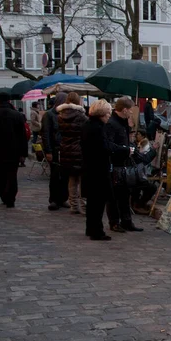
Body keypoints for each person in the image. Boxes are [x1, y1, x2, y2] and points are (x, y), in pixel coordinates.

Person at [105, 97, 144, 233]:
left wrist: (131, 148)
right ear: (125, 110)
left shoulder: (123, 123)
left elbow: (125, 141)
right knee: (115, 195)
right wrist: (125, 149)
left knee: (124, 193)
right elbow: (109, 145)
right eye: (131, 111)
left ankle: (127, 221)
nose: (132, 113)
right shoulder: (111, 123)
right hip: (115, 164)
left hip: (124, 163)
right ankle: (114, 222)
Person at [81, 100, 114, 241]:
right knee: (98, 202)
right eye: (108, 113)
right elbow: (103, 148)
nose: (109, 116)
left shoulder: (88, 125)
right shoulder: (97, 128)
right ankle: (96, 231)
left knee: (93, 202)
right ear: (101, 114)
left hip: (90, 168)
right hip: (98, 169)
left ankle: (91, 228)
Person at [57, 92, 88, 214]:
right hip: (79, 149)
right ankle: (83, 206)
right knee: (82, 179)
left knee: (72, 178)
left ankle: (73, 205)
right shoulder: (81, 116)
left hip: (65, 149)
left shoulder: (60, 115)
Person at [42, 92, 70, 211]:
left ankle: (63, 198)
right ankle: (53, 199)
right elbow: (46, 134)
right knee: (55, 175)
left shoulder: (66, 114)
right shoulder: (49, 115)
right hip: (54, 149)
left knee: (65, 175)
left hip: (65, 149)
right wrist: (48, 151)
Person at [0, 92, 28, 208]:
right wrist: (23, 153)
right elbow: (23, 136)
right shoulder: (17, 115)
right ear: (9, 101)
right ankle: (10, 198)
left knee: (0, 175)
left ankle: (4, 195)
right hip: (13, 151)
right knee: (12, 175)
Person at [131, 129, 157, 215]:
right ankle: (138, 205)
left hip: (132, 173)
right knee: (151, 187)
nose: (135, 137)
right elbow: (144, 159)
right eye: (134, 135)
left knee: (144, 184)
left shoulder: (135, 144)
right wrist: (153, 150)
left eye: (136, 135)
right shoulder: (132, 146)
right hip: (132, 175)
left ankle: (137, 203)